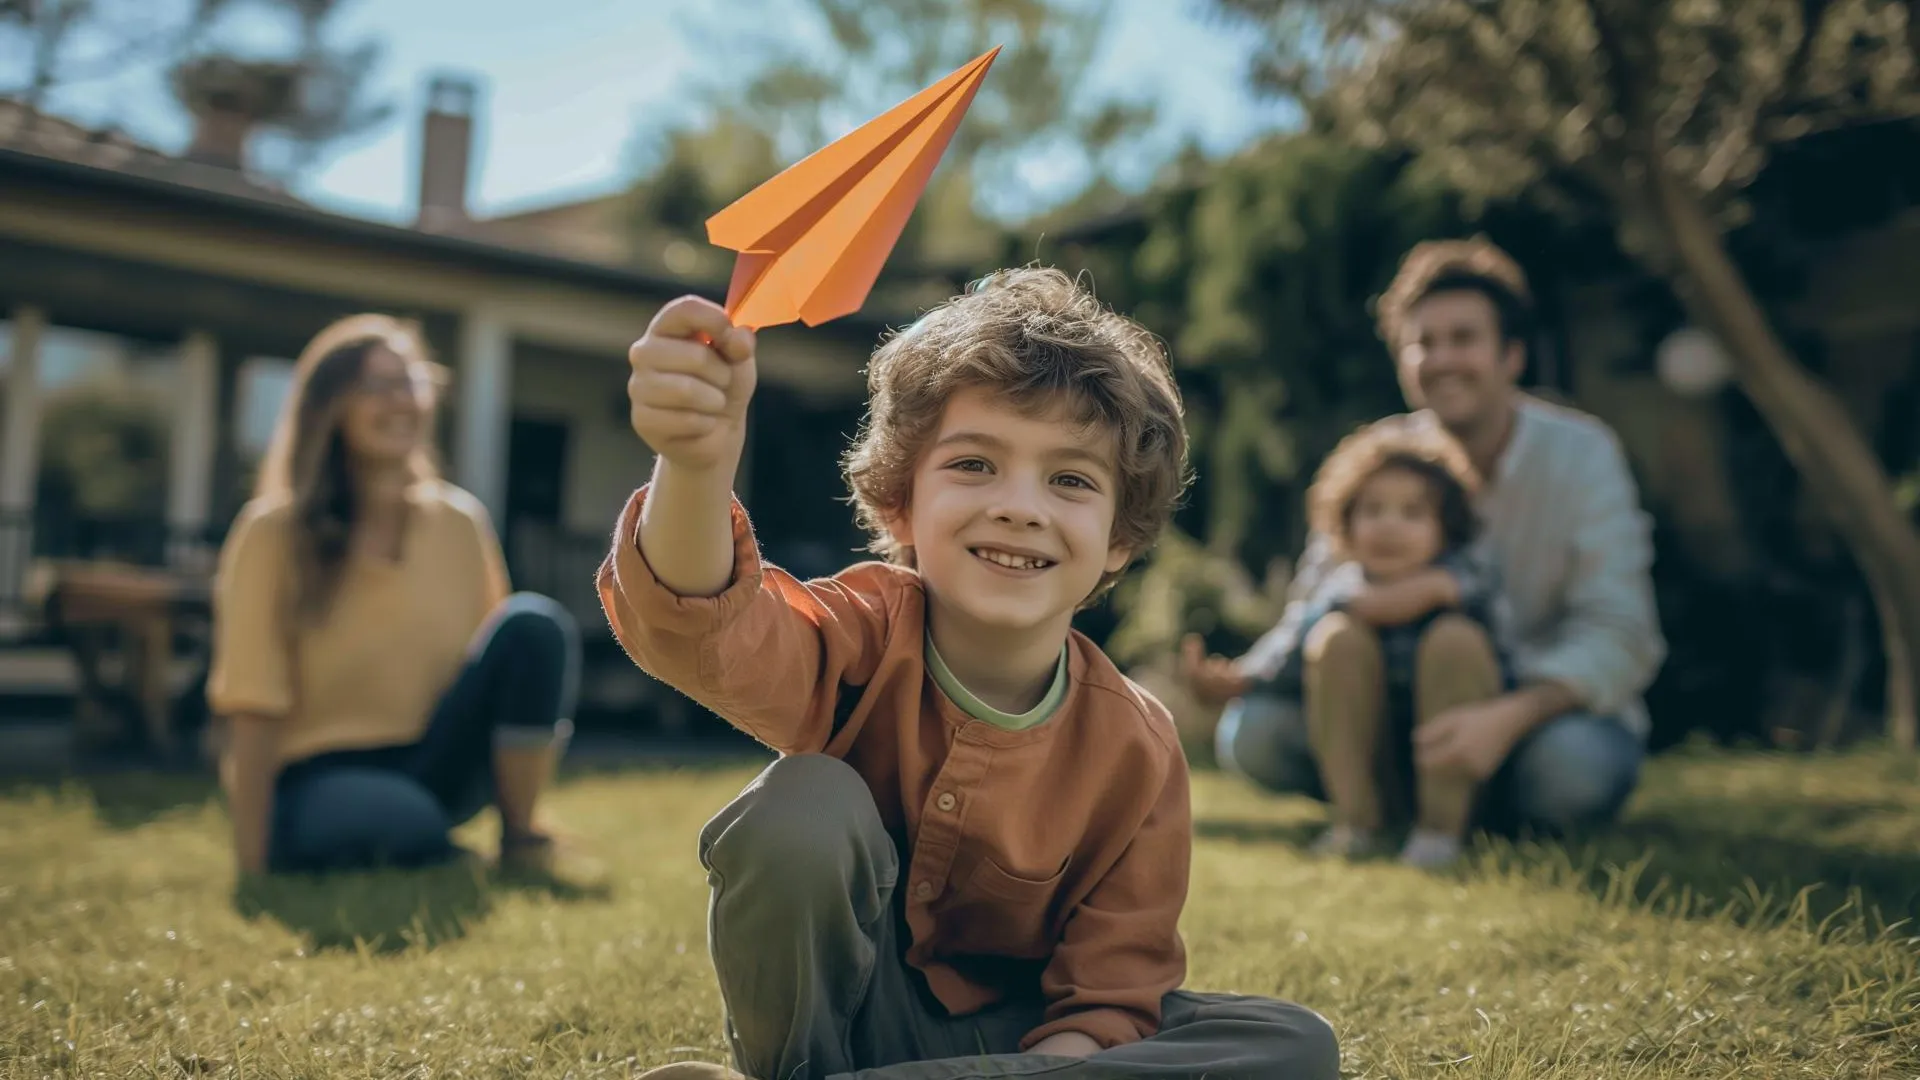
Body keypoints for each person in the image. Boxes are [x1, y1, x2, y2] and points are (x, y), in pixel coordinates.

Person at [603, 269, 1340, 1080]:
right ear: (899, 504)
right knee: (803, 803)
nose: (1020, 506)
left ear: (1119, 540)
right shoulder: (863, 633)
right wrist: (696, 465)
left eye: (1070, 480)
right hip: (837, 1024)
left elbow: (1111, 991)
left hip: (1029, 1052)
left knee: (1291, 1044)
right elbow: (705, 627)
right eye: (975, 465)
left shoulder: (1138, 744)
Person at [1190, 237, 1666, 869]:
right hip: (1387, 706)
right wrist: (1247, 671)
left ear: (1512, 354)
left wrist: (1506, 718)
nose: (1441, 359)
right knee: (1254, 736)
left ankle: (1452, 811)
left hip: (1533, 719)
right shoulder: (1376, 460)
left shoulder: (1582, 455)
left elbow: (1622, 633)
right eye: (1422, 343)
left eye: (1462, 338)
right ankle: (1379, 807)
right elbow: (1315, 600)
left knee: (1571, 771)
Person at [208, 313, 580, 878]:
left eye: (409, 381)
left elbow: (496, 668)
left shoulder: (460, 521)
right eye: (373, 386)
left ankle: (521, 839)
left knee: (534, 623)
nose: (399, 400)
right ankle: (416, 842)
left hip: (438, 759)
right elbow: (251, 706)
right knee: (399, 819)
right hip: (321, 774)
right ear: (328, 407)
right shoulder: (272, 534)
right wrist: (254, 864)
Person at [1186, 420, 1516, 867]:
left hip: (1460, 751)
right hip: (1373, 747)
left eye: (1412, 513)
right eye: (1372, 510)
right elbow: (1290, 644)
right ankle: (1357, 822)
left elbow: (1507, 652)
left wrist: (1434, 591)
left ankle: (1441, 832)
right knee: (1334, 637)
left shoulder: (1467, 578)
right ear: (1344, 523)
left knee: (1456, 639)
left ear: (1446, 528)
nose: (1389, 527)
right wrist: (1239, 677)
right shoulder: (1342, 587)